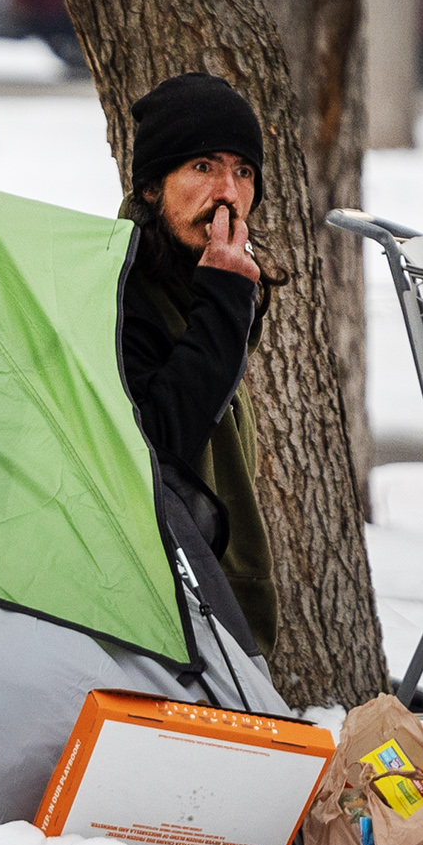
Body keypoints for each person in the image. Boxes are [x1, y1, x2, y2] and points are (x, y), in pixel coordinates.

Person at [118, 72, 279, 653]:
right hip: (159, 603)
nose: (227, 192)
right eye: (203, 167)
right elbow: (163, 444)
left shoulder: (201, 278)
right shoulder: (122, 290)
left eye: (243, 172)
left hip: (212, 590)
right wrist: (225, 299)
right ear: (152, 187)